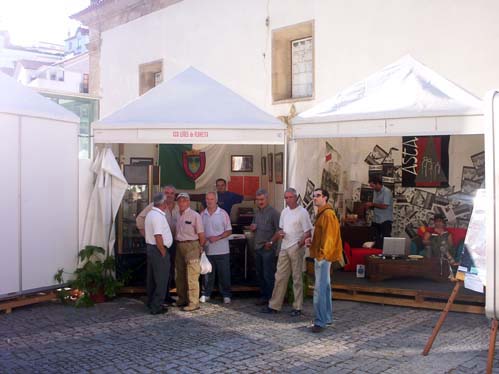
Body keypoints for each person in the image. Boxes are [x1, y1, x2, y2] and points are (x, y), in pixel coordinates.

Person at [262, 188, 312, 315]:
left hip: (296, 246)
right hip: (284, 246)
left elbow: (307, 232)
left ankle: (297, 307)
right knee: (280, 277)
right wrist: (279, 236)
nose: (288, 200)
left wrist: (299, 244)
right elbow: (281, 229)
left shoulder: (303, 212)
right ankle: (274, 305)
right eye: (286, 198)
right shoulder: (284, 212)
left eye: (290, 197)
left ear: (296, 198)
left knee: (296, 277)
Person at [307, 188, 343, 333]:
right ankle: (326, 318)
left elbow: (329, 238)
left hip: (323, 257)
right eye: (314, 196)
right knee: (325, 288)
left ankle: (320, 322)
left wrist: (322, 256)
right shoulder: (323, 214)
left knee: (320, 290)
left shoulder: (327, 214)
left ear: (325, 198)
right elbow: (323, 236)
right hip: (322, 255)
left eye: (318, 196)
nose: (315, 198)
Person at [137, 185, 179, 304]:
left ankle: (166, 296)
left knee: (168, 272)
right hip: (159, 245)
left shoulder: (178, 207)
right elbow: (139, 220)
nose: (169, 195)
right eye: (167, 192)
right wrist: (149, 237)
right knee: (157, 274)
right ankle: (157, 300)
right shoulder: (154, 207)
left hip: (172, 244)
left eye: (172, 193)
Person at [175, 192, 206, 312]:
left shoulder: (195, 215)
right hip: (179, 246)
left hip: (192, 246)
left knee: (192, 276)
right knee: (179, 275)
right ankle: (182, 299)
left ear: (188, 202)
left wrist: (200, 247)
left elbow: (202, 235)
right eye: (180, 200)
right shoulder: (177, 215)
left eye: (184, 200)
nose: (181, 202)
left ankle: (194, 302)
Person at [200, 191, 233, 304]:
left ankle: (226, 295)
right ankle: (206, 294)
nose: (209, 201)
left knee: (224, 274)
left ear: (216, 200)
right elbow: (200, 232)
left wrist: (217, 237)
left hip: (222, 250)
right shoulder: (202, 214)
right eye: (207, 199)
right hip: (208, 250)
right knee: (207, 275)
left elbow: (229, 231)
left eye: (211, 199)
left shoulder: (223, 213)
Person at [250, 188, 281, 306]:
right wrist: (252, 227)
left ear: (267, 199)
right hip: (258, 247)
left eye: (262, 199)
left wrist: (271, 243)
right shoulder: (257, 212)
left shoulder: (274, 213)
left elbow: (279, 231)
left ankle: (272, 299)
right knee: (260, 274)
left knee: (268, 274)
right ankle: (264, 297)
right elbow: (253, 226)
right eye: (258, 200)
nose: (260, 202)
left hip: (268, 249)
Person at [144, 192, 173, 315]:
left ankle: (151, 302)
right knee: (161, 279)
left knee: (152, 279)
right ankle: (156, 306)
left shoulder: (151, 214)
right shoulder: (157, 216)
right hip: (158, 249)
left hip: (152, 248)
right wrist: (163, 251)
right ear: (163, 204)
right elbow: (158, 236)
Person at [365, 175, 393, 249]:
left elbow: (385, 206)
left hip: (385, 220)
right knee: (374, 239)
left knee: (385, 242)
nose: (372, 188)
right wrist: (370, 206)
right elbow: (377, 205)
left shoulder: (387, 191)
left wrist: (372, 204)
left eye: (373, 186)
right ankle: (375, 257)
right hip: (376, 219)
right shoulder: (375, 191)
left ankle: (384, 259)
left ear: (377, 183)